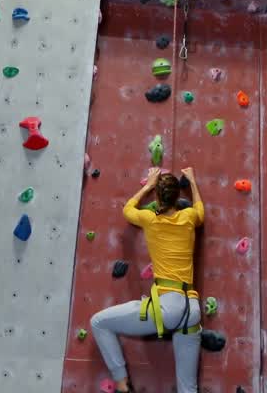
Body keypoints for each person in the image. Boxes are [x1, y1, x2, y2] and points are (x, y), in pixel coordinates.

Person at [91, 167, 204, 393]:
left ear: (158, 197)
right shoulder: (189, 217)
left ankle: (123, 385)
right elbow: (200, 210)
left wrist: (148, 185)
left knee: (98, 322)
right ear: (178, 198)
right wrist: (192, 181)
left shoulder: (150, 220)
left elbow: (127, 209)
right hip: (191, 310)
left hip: (166, 308)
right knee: (188, 388)